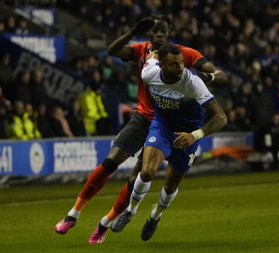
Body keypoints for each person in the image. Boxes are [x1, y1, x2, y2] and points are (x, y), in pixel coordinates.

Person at [54, 14, 226, 237]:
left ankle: (106, 223)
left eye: (164, 30)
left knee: (140, 178)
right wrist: (133, 32)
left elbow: (219, 77)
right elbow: (112, 51)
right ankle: (73, 214)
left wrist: (206, 77)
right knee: (112, 161)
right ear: (150, 34)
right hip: (147, 119)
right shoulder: (143, 56)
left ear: (170, 32)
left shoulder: (185, 57)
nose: (160, 35)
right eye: (155, 31)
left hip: (176, 123)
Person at [89, 44, 227, 244]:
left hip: (187, 134)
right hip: (161, 127)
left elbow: (221, 117)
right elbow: (150, 56)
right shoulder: (149, 73)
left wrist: (195, 135)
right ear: (161, 65)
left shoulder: (192, 83)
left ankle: (155, 216)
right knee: (146, 172)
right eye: (174, 64)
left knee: (170, 186)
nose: (180, 68)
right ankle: (130, 211)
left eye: (181, 63)